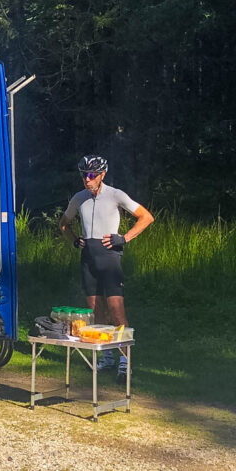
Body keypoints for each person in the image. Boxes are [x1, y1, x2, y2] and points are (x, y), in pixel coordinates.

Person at [59, 154, 154, 376]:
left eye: (92, 175)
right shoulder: (79, 197)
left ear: (102, 175)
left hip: (110, 258)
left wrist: (124, 238)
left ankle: (125, 360)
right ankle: (106, 357)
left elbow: (146, 217)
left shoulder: (115, 195)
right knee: (94, 311)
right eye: (84, 175)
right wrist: (74, 239)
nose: (87, 180)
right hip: (88, 258)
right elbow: (63, 223)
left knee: (117, 311)